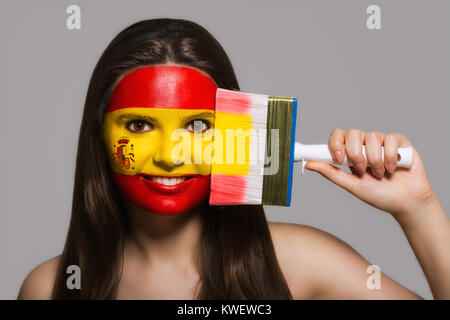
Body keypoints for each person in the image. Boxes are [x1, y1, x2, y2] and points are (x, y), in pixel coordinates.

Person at [18, 18, 449, 300]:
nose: (170, 158)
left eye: (199, 127)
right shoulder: (48, 288)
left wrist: (419, 208)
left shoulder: (300, 263)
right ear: (98, 135)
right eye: (138, 126)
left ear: (237, 132)